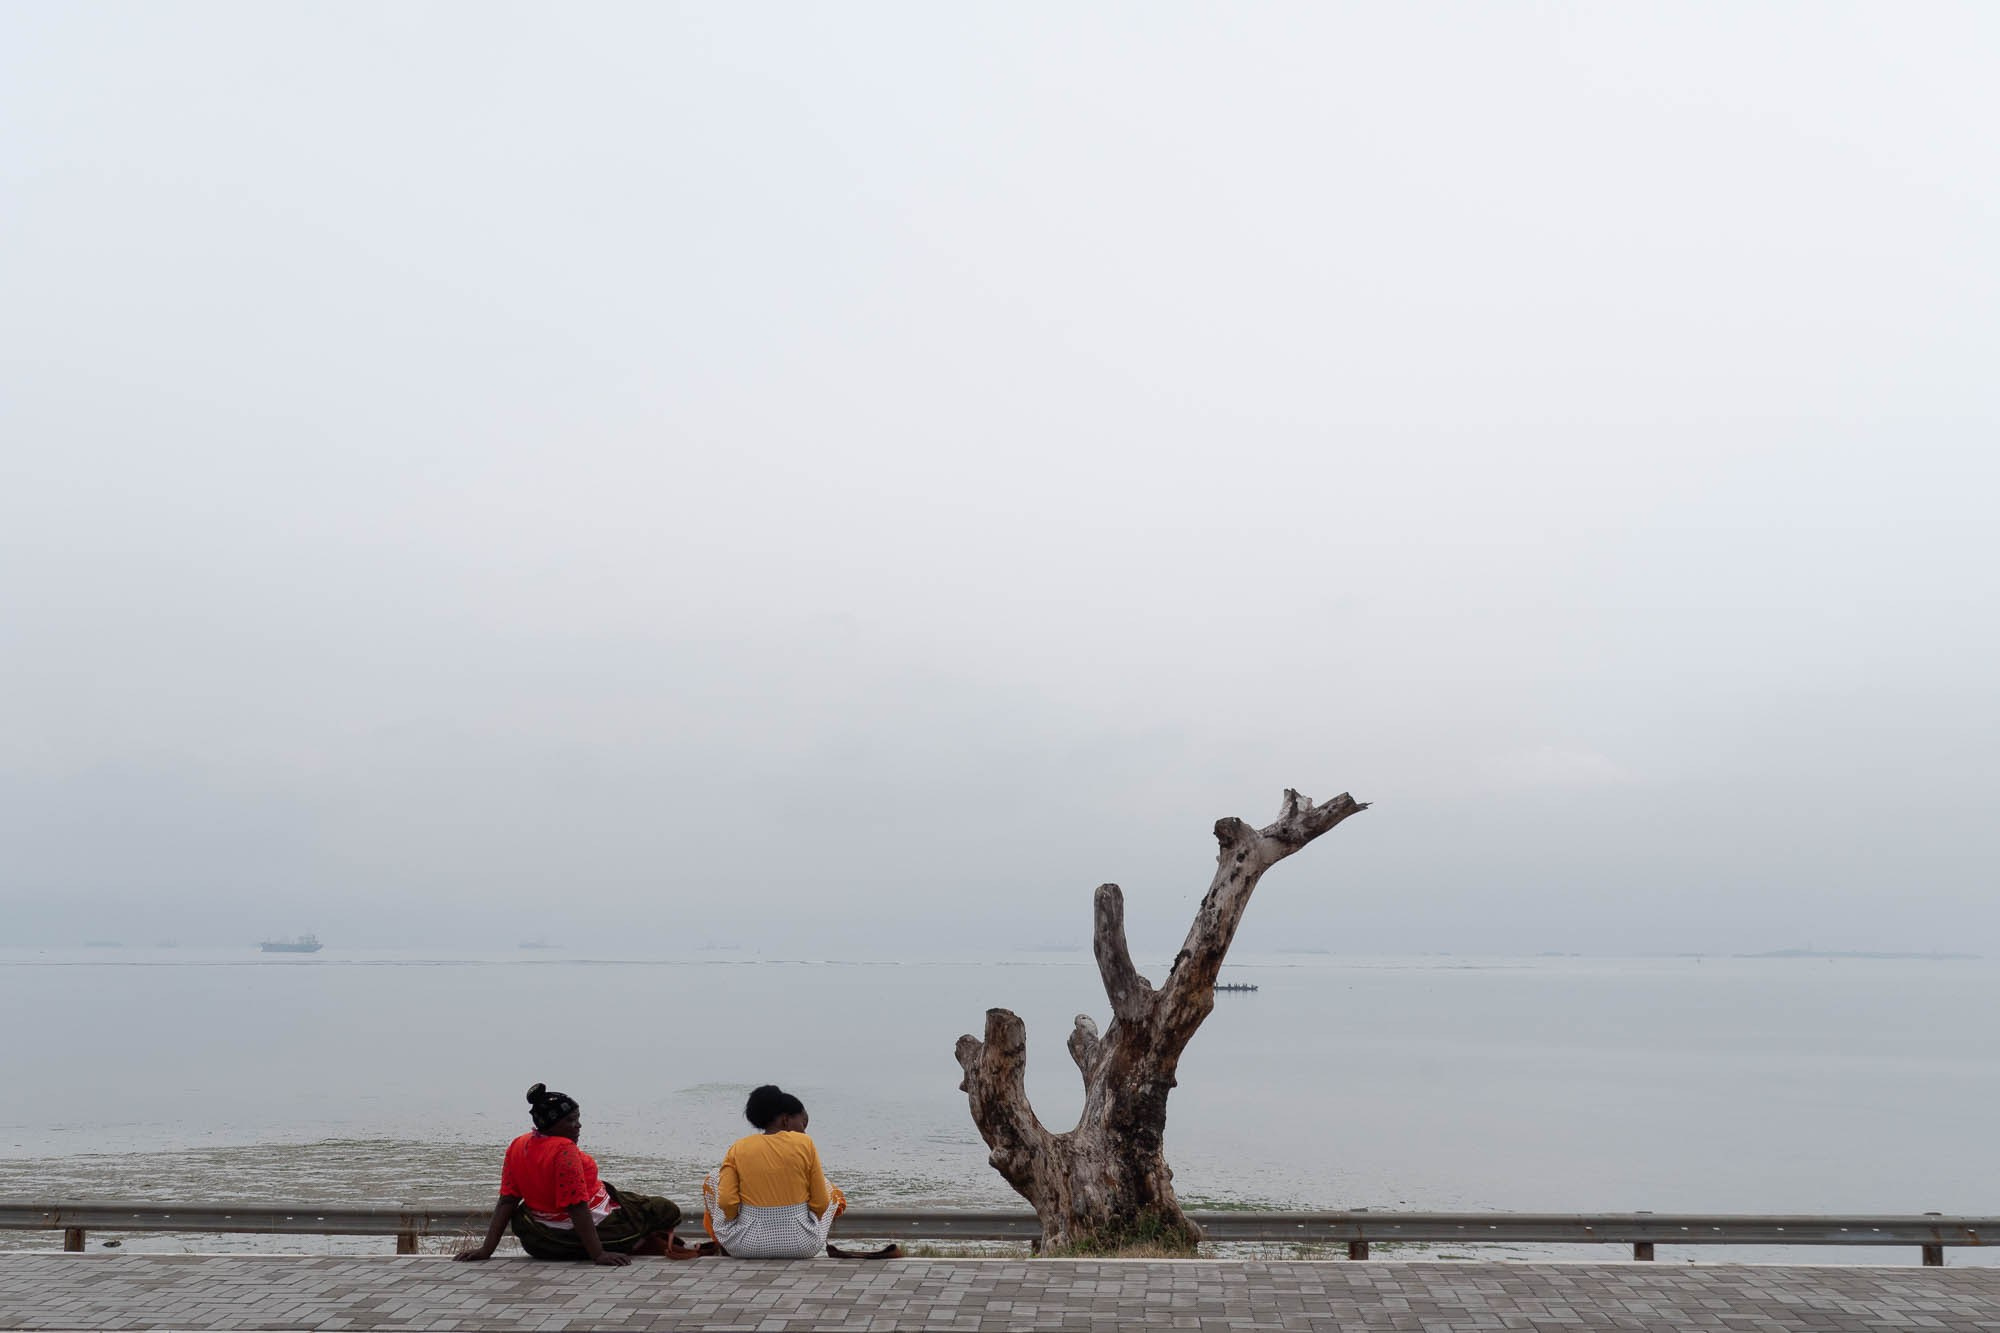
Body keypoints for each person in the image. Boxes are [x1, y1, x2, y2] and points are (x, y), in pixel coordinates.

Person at [456, 1083, 688, 1264]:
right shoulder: (564, 1151)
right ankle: (634, 1243)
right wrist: (598, 1255)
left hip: (538, 1237)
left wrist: (487, 1250)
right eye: (570, 1121)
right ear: (550, 1124)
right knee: (663, 1209)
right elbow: (577, 1207)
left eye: (578, 1119)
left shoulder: (519, 1143)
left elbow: (508, 1200)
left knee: (627, 1199)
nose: (578, 1126)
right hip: (576, 1226)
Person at [702, 1085, 891, 1259]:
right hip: (802, 1244)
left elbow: (728, 1202)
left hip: (746, 1245)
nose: (804, 1131)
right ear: (785, 1120)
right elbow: (821, 1203)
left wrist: (742, 1217)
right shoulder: (805, 1144)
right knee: (828, 1188)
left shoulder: (738, 1148)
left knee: (714, 1178)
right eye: (804, 1124)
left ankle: (722, 1246)